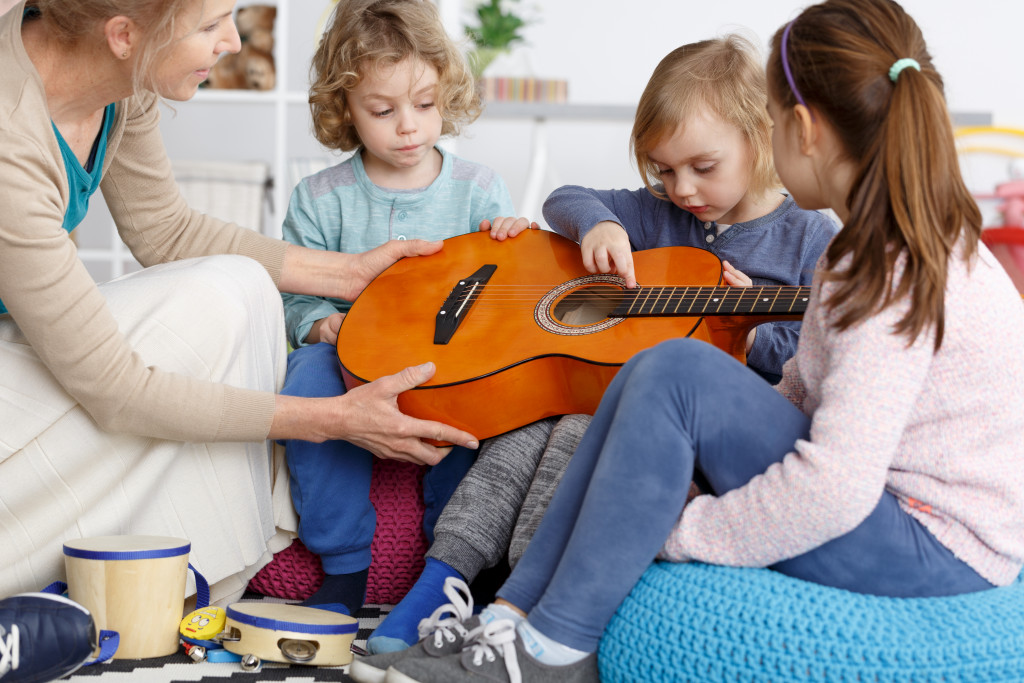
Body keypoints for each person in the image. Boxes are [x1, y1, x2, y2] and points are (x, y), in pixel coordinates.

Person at [351, 0, 1024, 680]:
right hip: (895, 516)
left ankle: (554, 647)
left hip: (934, 545)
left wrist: (678, 534)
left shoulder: (887, 265)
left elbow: (836, 489)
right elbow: (800, 394)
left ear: (799, 128)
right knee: (662, 367)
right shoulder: (868, 248)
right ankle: (514, 614)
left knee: (674, 369)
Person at [363, 33, 837, 654]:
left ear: (761, 136)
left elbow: (818, 349)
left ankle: (529, 601)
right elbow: (566, 199)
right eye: (664, 170)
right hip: (594, 383)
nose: (683, 188)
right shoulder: (662, 210)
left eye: (703, 167)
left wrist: (747, 327)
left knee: (574, 435)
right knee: (524, 427)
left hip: (678, 422)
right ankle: (442, 579)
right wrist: (604, 224)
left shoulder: (808, 235)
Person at [0, 0, 479, 606]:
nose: (233, 41)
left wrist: (353, 272)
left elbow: (164, 232)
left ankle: (196, 561)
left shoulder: (118, 77)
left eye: (233, 15)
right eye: (209, 26)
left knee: (242, 285)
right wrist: (335, 422)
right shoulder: (9, 138)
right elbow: (115, 389)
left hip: (23, 343)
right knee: (225, 311)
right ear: (123, 35)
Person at [276, 0, 520, 617]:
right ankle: (346, 564)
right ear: (346, 110)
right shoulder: (320, 198)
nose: (408, 126)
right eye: (383, 111)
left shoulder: (478, 189)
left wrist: (516, 242)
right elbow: (292, 295)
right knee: (304, 382)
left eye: (426, 104)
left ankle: (458, 561)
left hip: (452, 367)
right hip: (349, 360)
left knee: (497, 405)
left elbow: (507, 291)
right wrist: (316, 323)